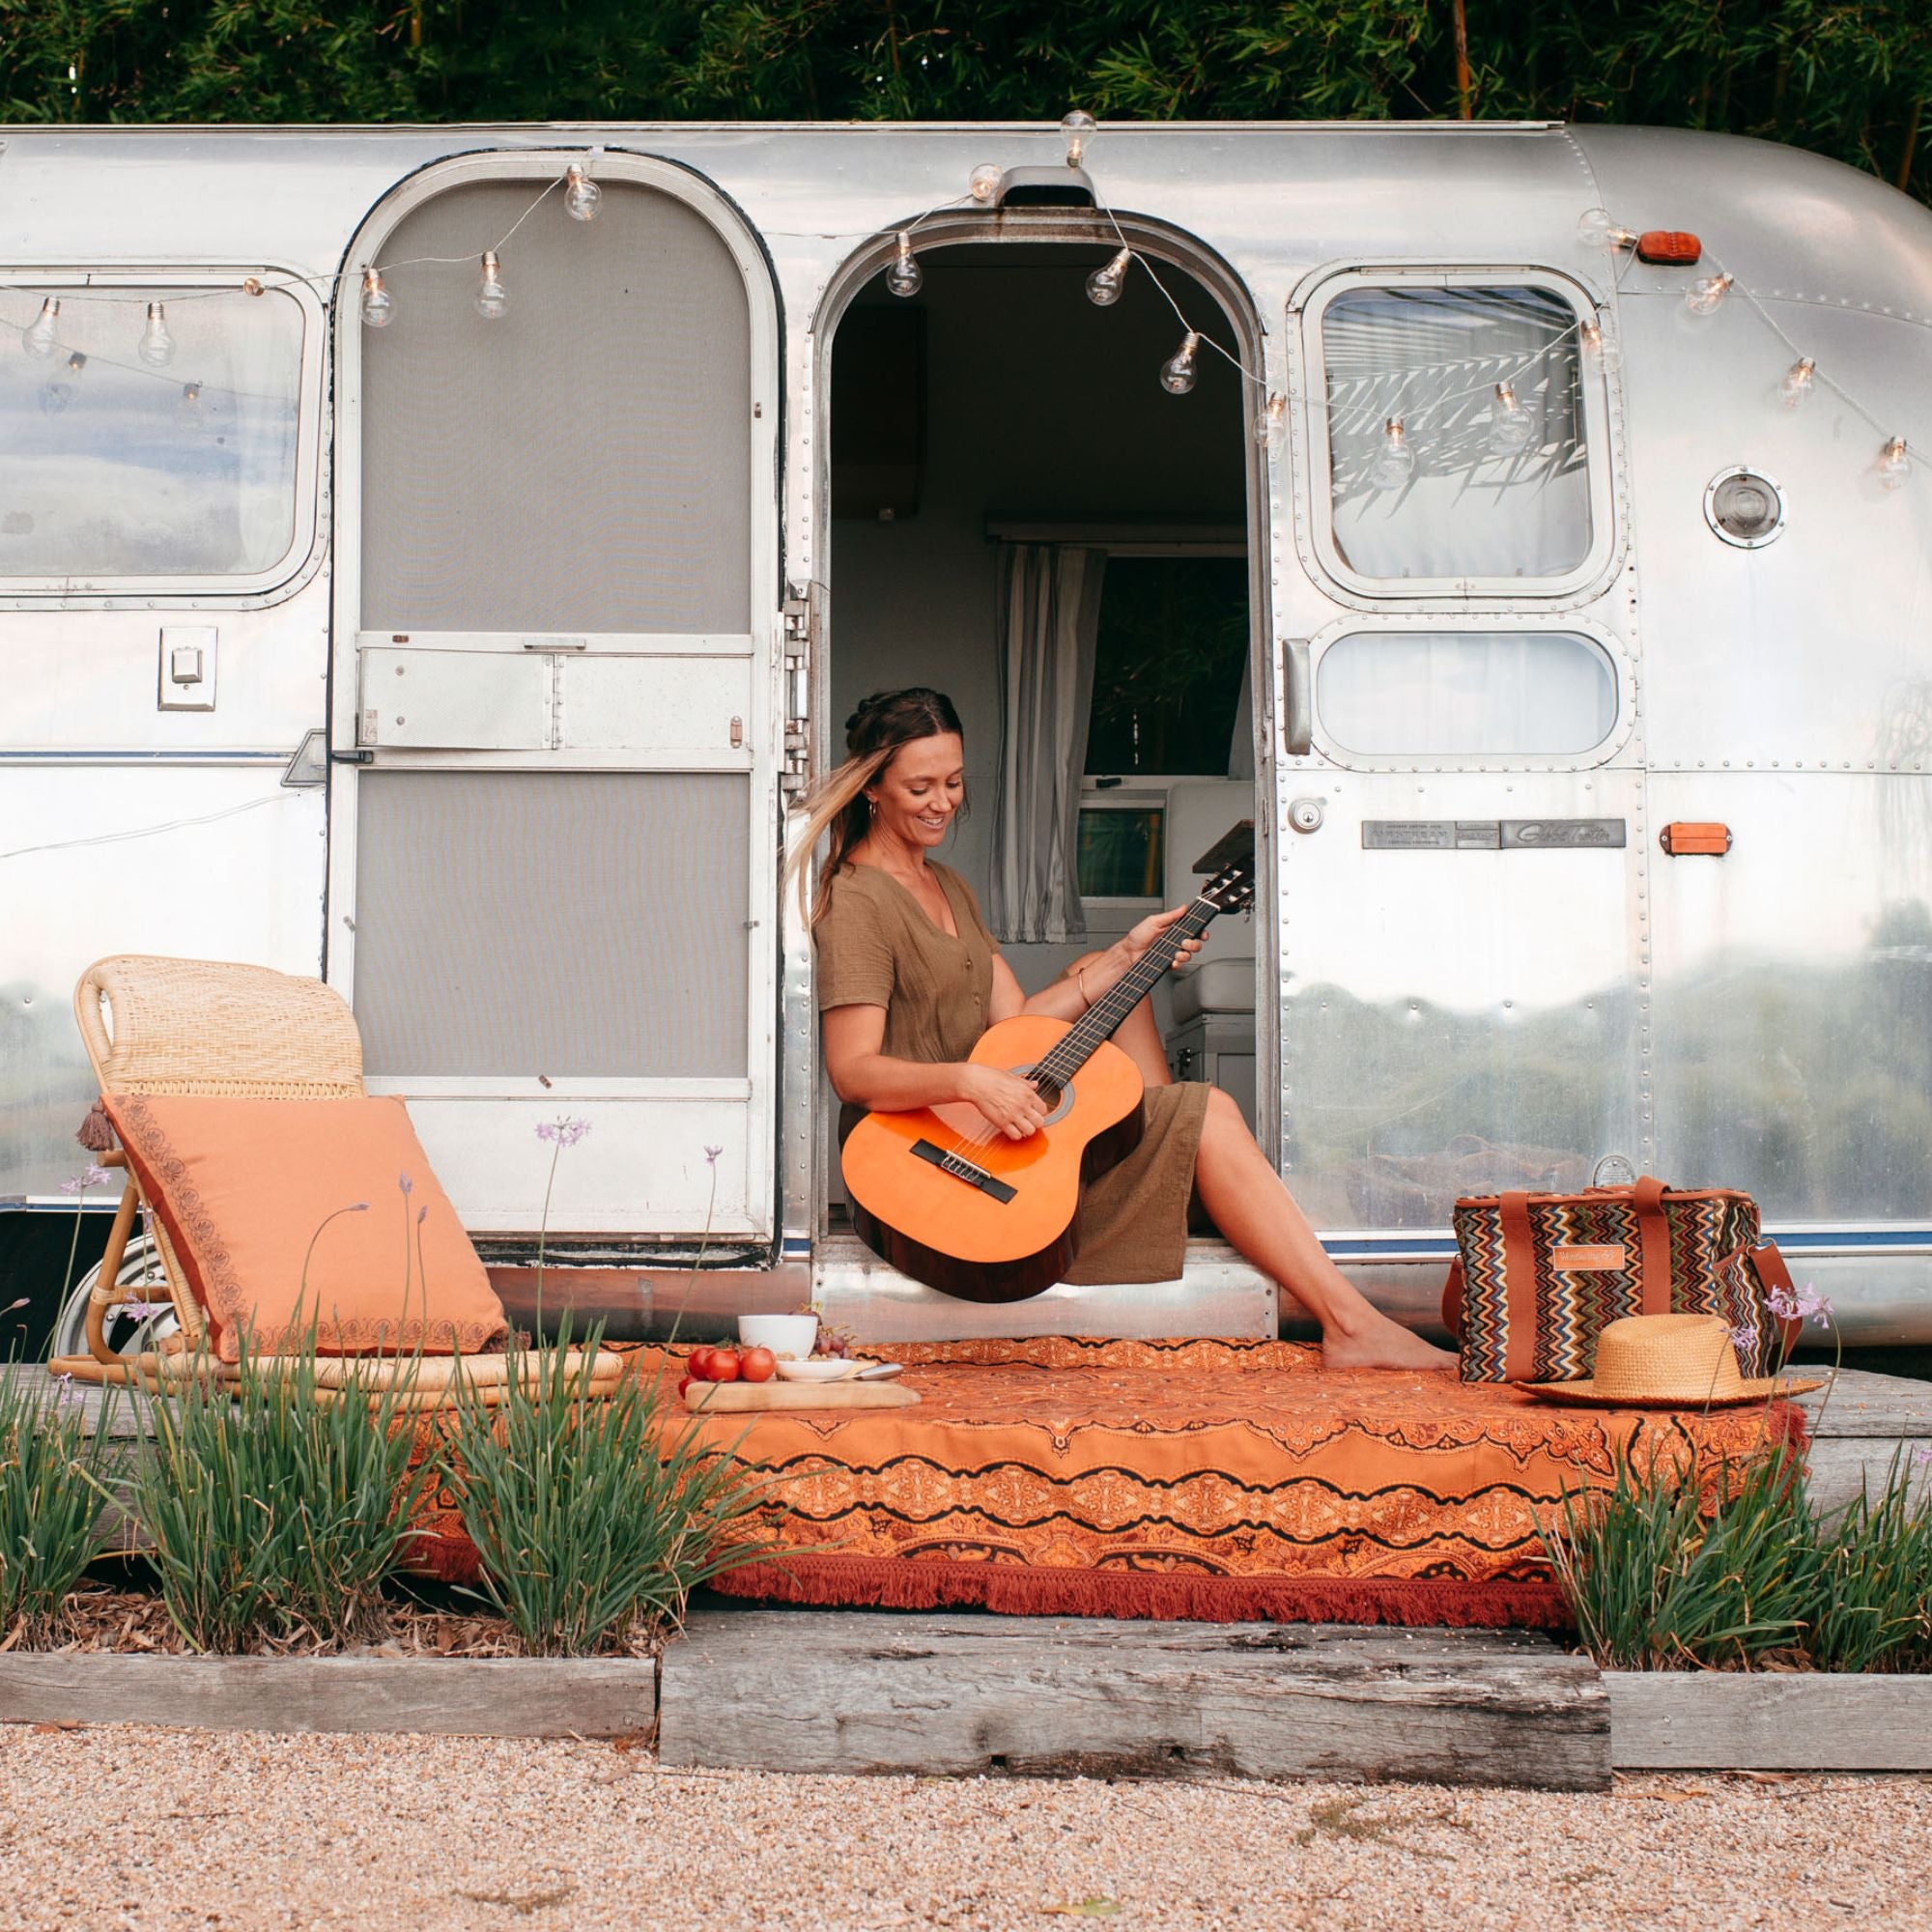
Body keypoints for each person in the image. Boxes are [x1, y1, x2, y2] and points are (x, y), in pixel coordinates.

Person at [788, 686, 1453, 1373]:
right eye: (920, 786)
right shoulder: (857, 899)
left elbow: (1014, 1024)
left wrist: (1124, 957)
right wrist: (969, 1081)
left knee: (1136, 1031)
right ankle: (1349, 1322)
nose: (943, 802)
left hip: (1001, 1131)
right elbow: (854, 1071)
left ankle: (1202, 1185)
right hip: (936, 1158)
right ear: (872, 787)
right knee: (1212, 1110)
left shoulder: (948, 886)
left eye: (954, 782)